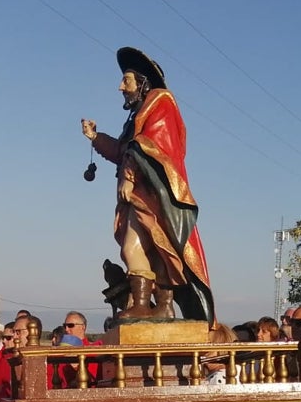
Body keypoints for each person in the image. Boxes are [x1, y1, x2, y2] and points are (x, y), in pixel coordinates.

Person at [81, 46, 215, 324]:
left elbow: (152, 145)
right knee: (144, 249)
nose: (121, 87)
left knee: (150, 247)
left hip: (155, 194)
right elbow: (123, 150)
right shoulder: (139, 113)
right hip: (138, 196)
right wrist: (95, 138)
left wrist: (129, 175)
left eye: (126, 81)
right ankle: (150, 305)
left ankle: (152, 304)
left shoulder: (161, 101)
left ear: (142, 82)